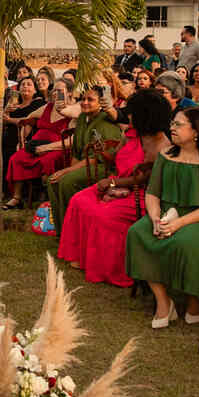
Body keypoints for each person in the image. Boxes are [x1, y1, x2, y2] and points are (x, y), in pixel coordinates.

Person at [125, 107, 199, 328]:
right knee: (137, 233)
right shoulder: (167, 154)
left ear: (196, 131)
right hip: (165, 213)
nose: (171, 128)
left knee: (187, 242)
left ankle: (195, 299)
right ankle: (164, 301)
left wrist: (179, 223)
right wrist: (155, 218)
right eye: (172, 123)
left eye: (178, 124)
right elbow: (153, 191)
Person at [57, 89, 172, 287]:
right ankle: (82, 256)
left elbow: (144, 179)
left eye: (133, 113)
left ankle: (112, 269)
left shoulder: (161, 144)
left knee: (104, 215)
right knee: (79, 200)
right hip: (117, 182)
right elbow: (115, 156)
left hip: (141, 194)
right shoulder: (132, 134)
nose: (129, 116)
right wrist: (104, 152)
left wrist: (113, 184)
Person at [46, 86, 124, 234]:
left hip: (103, 167)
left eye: (91, 99)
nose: (85, 102)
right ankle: (63, 231)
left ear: (101, 102)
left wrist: (67, 172)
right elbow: (76, 151)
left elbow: (97, 158)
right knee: (53, 181)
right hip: (84, 165)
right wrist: (66, 171)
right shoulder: (82, 117)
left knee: (67, 181)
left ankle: (75, 230)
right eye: (83, 99)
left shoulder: (106, 120)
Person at [3, 78, 74, 209]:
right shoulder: (48, 107)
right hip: (36, 144)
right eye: (54, 90)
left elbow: (71, 139)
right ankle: (17, 197)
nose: (55, 94)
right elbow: (28, 119)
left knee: (48, 161)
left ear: (69, 93)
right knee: (16, 158)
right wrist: (22, 140)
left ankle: (47, 196)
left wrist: (47, 147)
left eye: (59, 91)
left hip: (58, 147)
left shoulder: (73, 110)